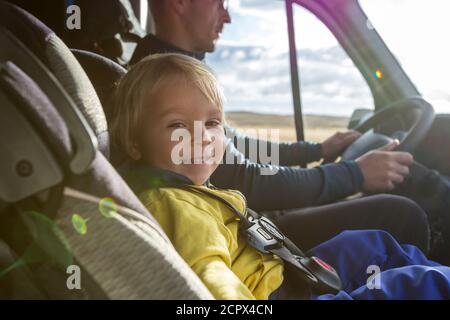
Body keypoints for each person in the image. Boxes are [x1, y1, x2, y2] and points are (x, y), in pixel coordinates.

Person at [126, 0, 450, 259]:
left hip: (248, 217)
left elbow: (239, 147)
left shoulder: (179, 69)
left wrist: (316, 151)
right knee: (401, 215)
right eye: (219, 3)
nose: (227, 17)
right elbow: (244, 178)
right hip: (250, 230)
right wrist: (355, 174)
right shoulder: (160, 78)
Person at [111, 53, 450, 300]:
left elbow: (247, 147)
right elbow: (209, 280)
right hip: (274, 294)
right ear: (134, 143)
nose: (201, 137)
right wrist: (353, 173)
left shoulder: (189, 184)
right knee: (414, 282)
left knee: (372, 243)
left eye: (213, 124)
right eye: (177, 126)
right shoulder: (176, 205)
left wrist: (315, 149)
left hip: (282, 271)